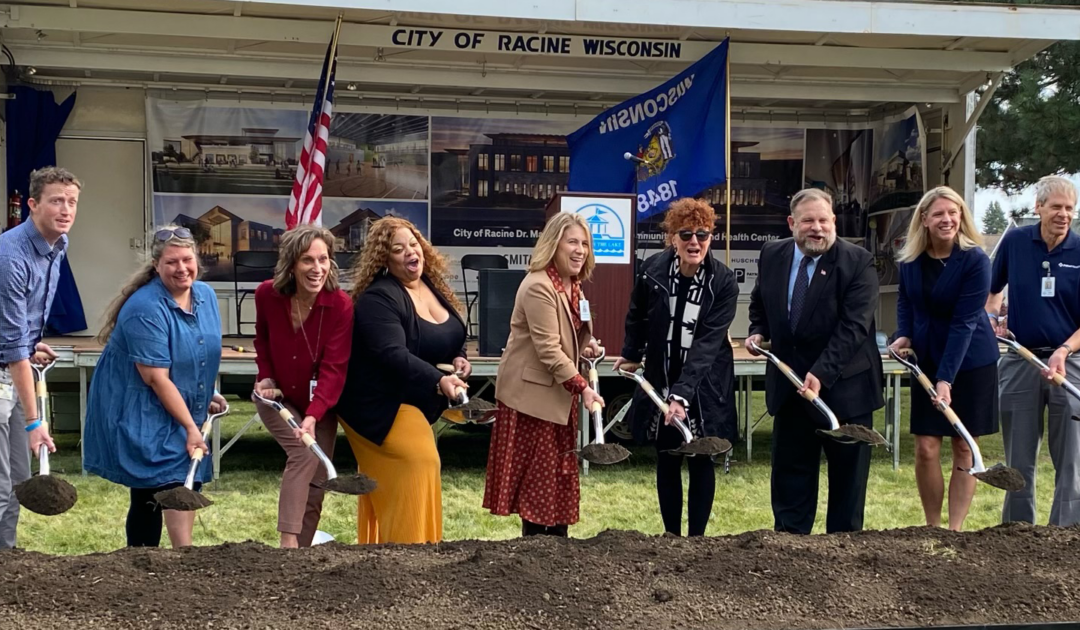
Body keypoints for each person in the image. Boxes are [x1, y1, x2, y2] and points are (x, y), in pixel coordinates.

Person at [746, 188, 883, 535]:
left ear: (834, 221)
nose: (817, 228)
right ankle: (791, 560)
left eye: (824, 220)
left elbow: (854, 328)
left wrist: (820, 372)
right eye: (808, 220)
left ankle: (843, 568)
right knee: (791, 487)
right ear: (792, 223)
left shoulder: (858, 262)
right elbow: (760, 301)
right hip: (790, 391)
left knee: (847, 495)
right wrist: (758, 330)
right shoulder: (771, 254)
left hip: (845, 393)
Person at [84, 225, 225, 548]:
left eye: (187, 259)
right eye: (172, 262)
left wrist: (208, 393)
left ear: (197, 259)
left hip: (178, 399)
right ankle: (145, 563)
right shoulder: (144, 308)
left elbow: (200, 352)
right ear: (156, 264)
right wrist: (191, 426)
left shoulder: (205, 296)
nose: (181, 269)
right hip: (140, 406)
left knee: (187, 477)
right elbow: (156, 377)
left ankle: (181, 558)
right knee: (155, 485)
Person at [337, 217, 469, 544]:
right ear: (385, 259)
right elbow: (391, 352)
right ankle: (408, 556)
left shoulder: (430, 284)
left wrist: (458, 357)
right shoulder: (378, 299)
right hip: (376, 405)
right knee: (420, 460)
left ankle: (417, 551)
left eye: (414, 244)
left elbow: (449, 333)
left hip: (410, 399)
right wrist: (440, 380)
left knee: (418, 467)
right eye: (399, 249)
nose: (411, 252)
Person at [614, 198, 739, 537]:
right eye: (686, 235)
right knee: (667, 457)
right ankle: (671, 537)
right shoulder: (652, 270)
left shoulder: (724, 281)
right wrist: (630, 353)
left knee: (701, 457)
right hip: (661, 376)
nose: (694, 242)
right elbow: (636, 315)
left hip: (705, 385)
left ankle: (696, 540)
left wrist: (682, 396)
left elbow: (708, 345)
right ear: (672, 237)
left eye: (703, 234)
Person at [483, 212, 602, 537]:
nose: (580, 250)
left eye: (585, 243)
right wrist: (583, 388)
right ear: (554, 244)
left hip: (556, 397)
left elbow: (566, 337)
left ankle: (556, 556)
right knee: (538, 486)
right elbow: (548, 349)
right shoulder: (538, 285)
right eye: (572, 242)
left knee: (558, 480)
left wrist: (585, 347)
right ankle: (533, 562)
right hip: (530, 400)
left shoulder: (572, 286)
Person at [889, 186, 999, 531]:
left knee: (964, 447)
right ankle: (932, 526)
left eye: (953, 213)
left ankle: (955, 531)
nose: (947, 219)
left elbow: (965, 322)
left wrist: (946, 379)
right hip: (926, 358)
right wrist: (903, 334)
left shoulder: (975, 261)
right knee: (925, 447)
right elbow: (905, 301)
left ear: (962, 217)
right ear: (924, 219)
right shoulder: (910, 259)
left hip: (970, 362)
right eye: (938, 214)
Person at [987, 175, 1080, 526]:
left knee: (1071, 457)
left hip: (1069, 364)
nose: (1064, 214)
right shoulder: (1014, 242)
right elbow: (993, 293)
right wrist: (993, 318)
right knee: (1018, 457)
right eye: (1056, 207)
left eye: (1070, 208)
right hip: (1018, 360)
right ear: (1038, 207)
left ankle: (1067, 534)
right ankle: (1016, 534)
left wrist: (1064, 350)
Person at [252, 225, 353, 548]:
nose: (317, 268)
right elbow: (262, 341)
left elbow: (334, 369)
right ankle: (287, 545)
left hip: (319, 402)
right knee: (304, 454)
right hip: (276, 397)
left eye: (323, 259)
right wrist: (265, 376)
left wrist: (313, 415)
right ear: (292, 264)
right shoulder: (267, 295)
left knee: (318, 479)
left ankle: (302, 555)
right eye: (307, 260)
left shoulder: (340, 305)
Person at [0, 167, 79, 549]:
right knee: (0, 486)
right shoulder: (10, 256)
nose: (65, 210)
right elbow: (12, 348)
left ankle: (8, 562)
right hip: (6, 371)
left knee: (17, 482)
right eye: (56, 201)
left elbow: (19, 337)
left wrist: (33, 345)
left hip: (15, 369)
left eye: (72, 202)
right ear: (33, 205)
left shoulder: (58, 247)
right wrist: (35, 423)